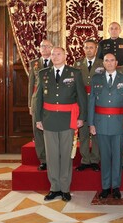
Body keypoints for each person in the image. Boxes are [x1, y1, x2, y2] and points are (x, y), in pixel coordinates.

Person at [35, 47, 87, 202]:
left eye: (58, 54)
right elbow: (39, 99)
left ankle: (65, 189)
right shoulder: (43, 73)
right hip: (49, 119)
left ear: (65, 56)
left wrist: (82, 117)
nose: (55, 57)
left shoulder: (74, 73)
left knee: (65, 155)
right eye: (53, 54)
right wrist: (38, 119)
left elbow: (82, 97)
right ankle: (54, 188)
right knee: (51, 156)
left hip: (67, 120)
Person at [88, 53, 123, 199]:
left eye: (112, 60)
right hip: (101, 123)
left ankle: (115, 187)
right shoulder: (96, 79)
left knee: (117, 157)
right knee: (105, 156)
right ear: (103, 63)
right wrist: (91, 123)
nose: (109, 63)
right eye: (106, 60)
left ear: (116, 63)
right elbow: (91, 103)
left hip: (119, 124)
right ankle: (105, 186)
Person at [73, 39, 104, 172]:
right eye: (86, 47)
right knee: (84, 132)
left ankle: (95, 160)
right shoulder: (77, 63)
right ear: (83, 49)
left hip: (97, 102)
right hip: (82, 102)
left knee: (96, 133)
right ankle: (85, 160)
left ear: (96, 49)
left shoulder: (102, 63)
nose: (89, 50)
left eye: (91, 47)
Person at [28, 39, 53, 171]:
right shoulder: (34, 63)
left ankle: (53, 158)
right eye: (42, 46)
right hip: (37, 101)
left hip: (51, 101)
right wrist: (30, 105)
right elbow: (31, 84)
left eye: (47, 46)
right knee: (37, 131)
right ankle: (43, 159)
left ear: (52, 48)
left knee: (50, 130)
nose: (44, 48)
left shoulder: (56, 61)